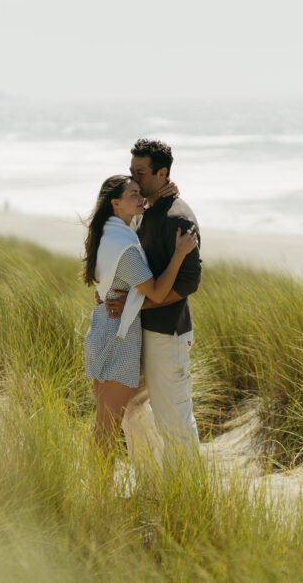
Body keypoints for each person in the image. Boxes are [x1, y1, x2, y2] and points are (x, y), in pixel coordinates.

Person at [82, 174, 198, 453]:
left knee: (106, 424)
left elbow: (140, 221)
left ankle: (104, 488)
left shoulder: (110, 233)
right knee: (107, 427)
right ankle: (100, 492)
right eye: (133, 195)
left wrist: (163, 193)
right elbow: (157, 293)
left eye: (140, 192)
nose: (140, 199)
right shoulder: (126, 250)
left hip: (102, 330)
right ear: (116, 203)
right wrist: (180, 254)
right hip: (117, 342)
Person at [109, 139, 203, 459]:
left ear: (162, 174)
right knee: (130, 407)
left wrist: (140, 305)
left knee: (174, 418)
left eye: (142, 173)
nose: (134, 179)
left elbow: (190, 281)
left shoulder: (178, 218)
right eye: (131, 171)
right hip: (140, 329)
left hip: (168, 332)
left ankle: (190, 498)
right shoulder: (145, 209)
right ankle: (152, 485)